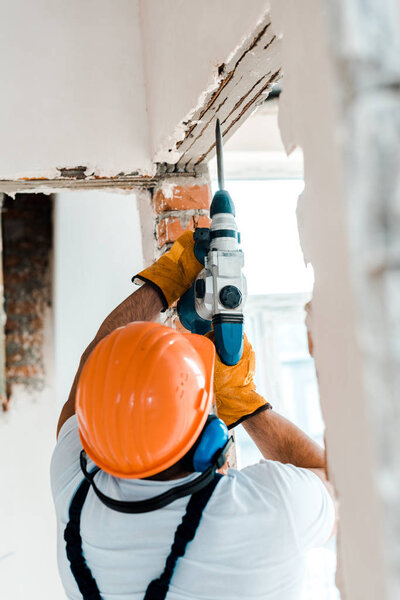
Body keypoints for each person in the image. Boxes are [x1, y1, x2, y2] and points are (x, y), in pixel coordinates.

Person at [51, 231, 337, 600]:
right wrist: (244, 403)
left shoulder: (77, 490)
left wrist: (165, 281)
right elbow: (341, 490)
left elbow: (98, 367)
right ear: (208, 441)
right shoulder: (265, 509)